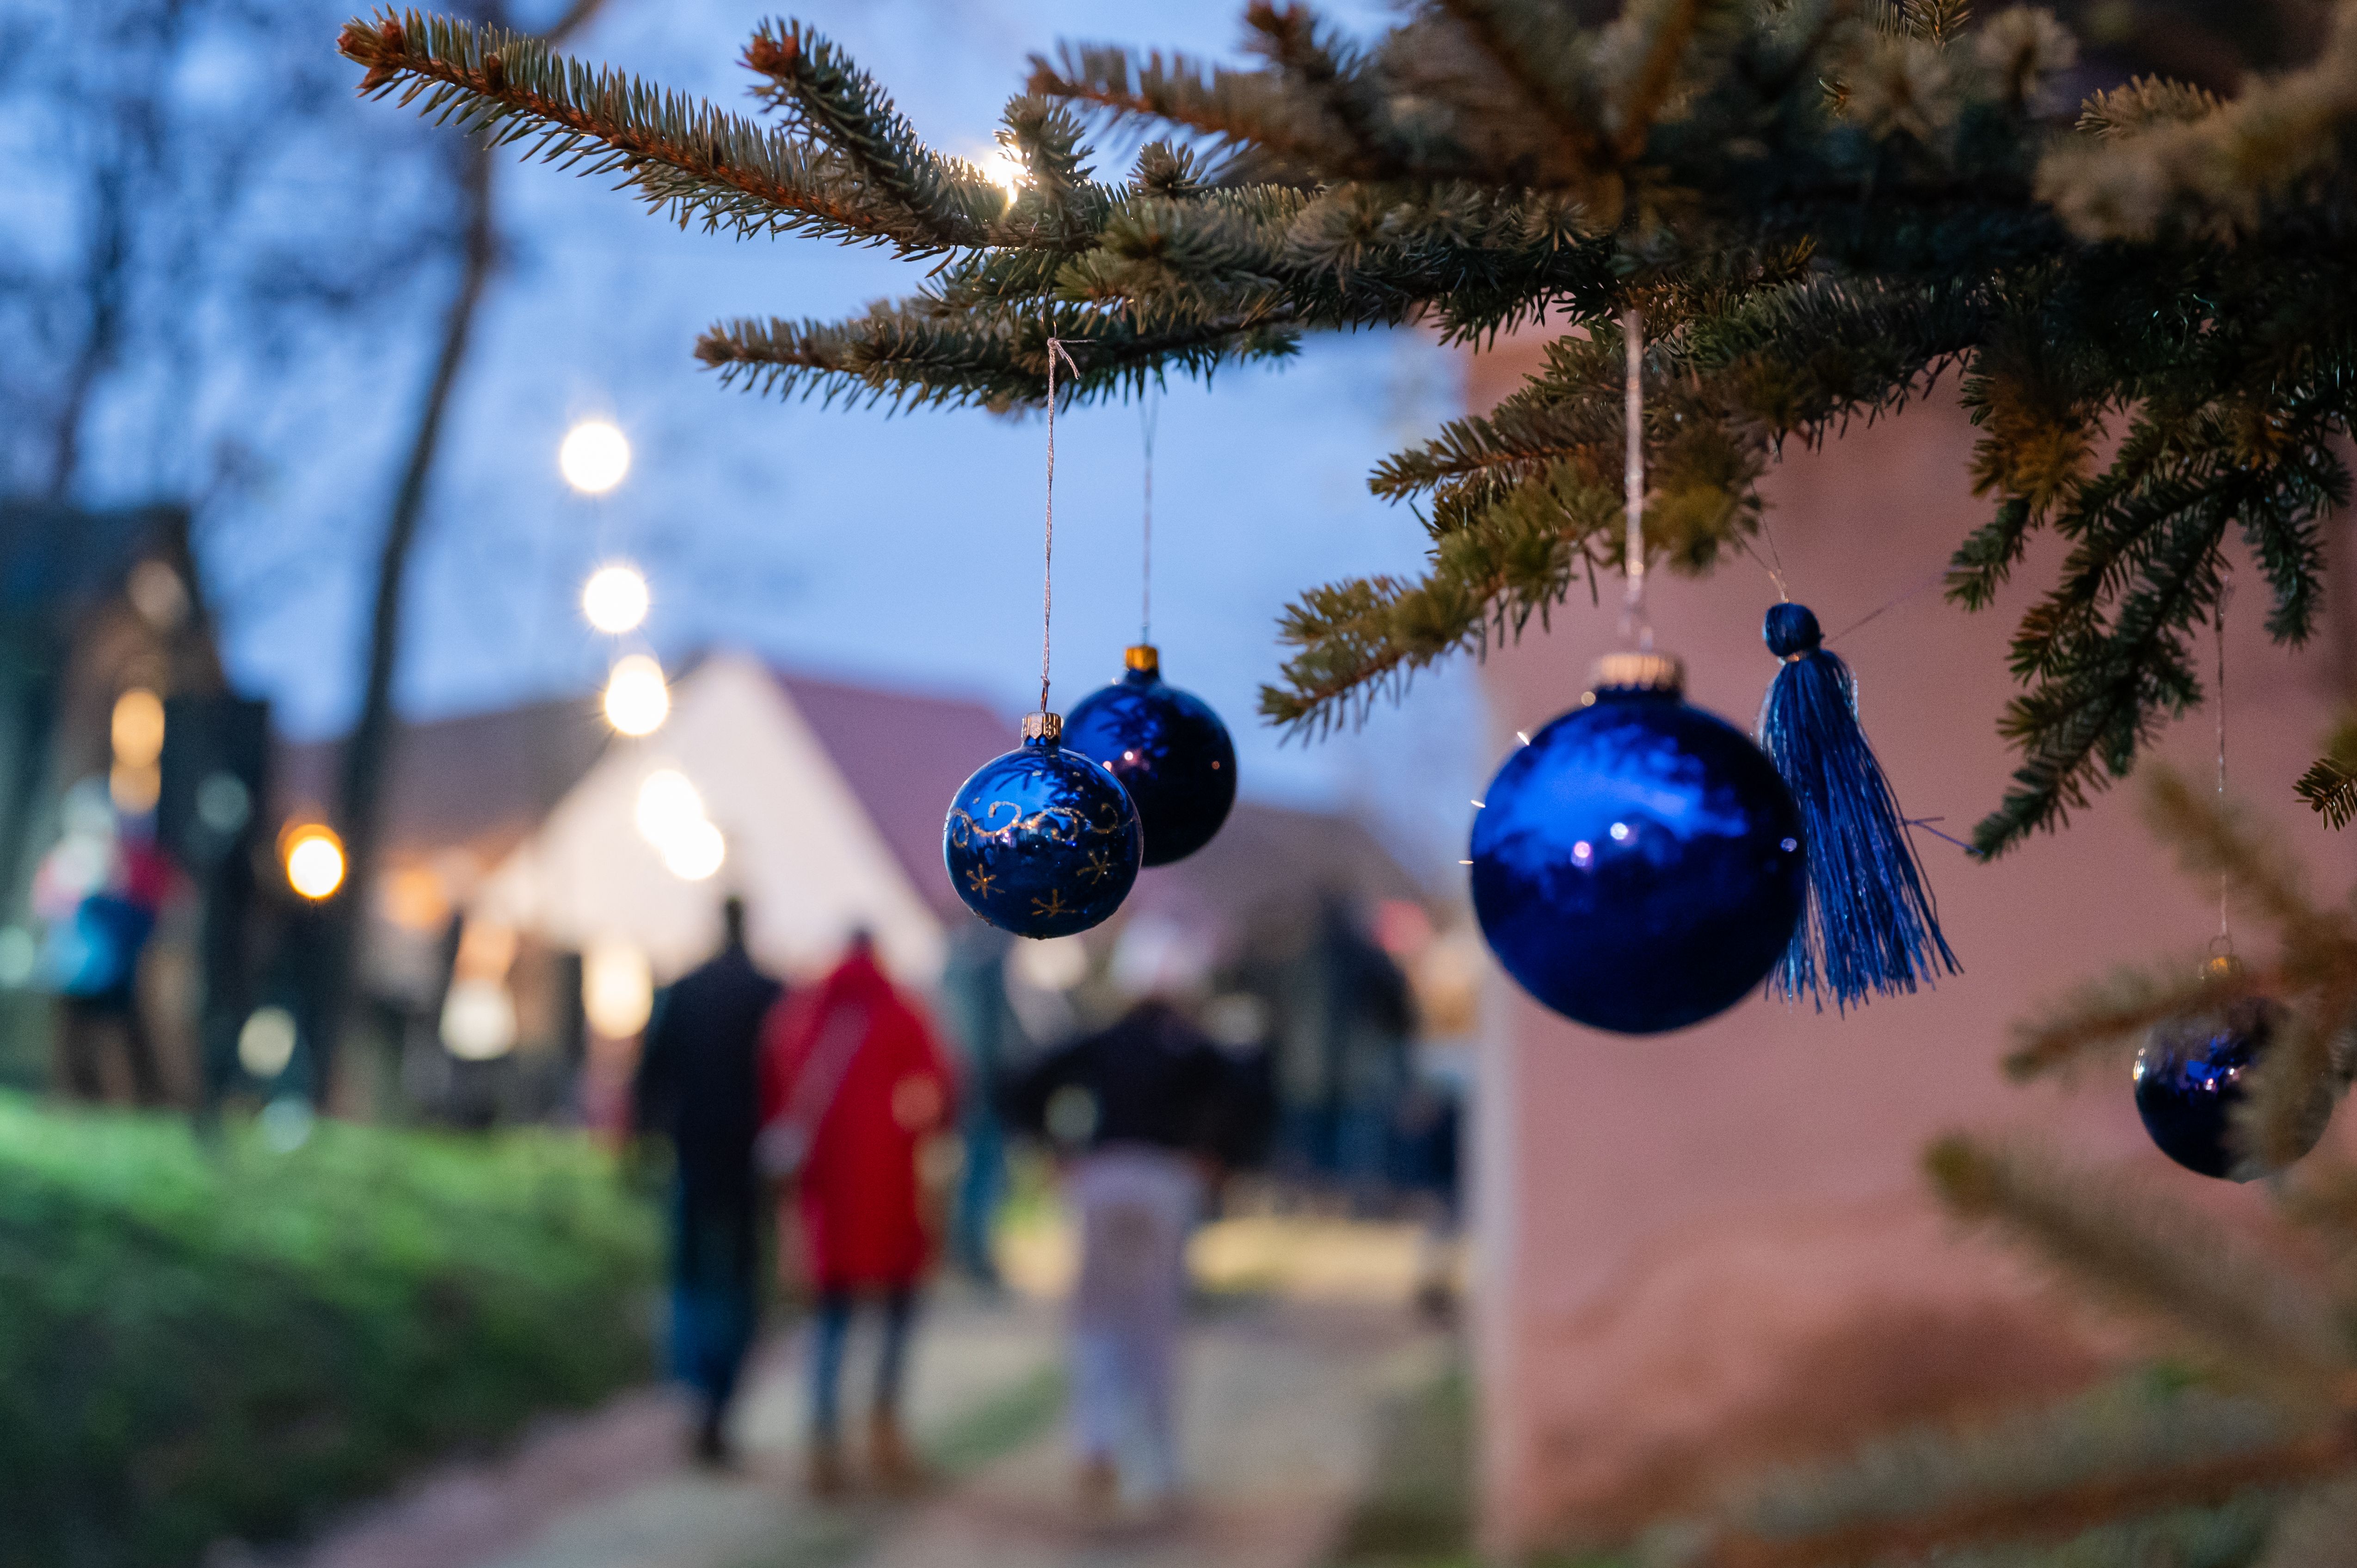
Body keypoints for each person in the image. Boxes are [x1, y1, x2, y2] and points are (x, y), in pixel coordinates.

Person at [1003, 992, 1244, 1515]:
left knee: (1097, 1320)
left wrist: (1050, 1148)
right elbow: (1246, 1088)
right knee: (1154, 1328)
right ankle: (1159, 1467)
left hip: (1104, 1176)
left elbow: (1025, 1080)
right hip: (1165, 1180)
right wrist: (1217, 1155)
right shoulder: (1191, 1046)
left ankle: (1096, 1444)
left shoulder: (1107, 1040)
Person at [759, 930, 954, 1496]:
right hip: (895, 1195)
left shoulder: (801, 1016)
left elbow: (776, 1094)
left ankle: (822, 1444)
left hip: (830, 1201)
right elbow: (939, 1089)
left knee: (832, 1320)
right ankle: (884, 1431)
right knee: (896, 1313)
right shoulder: (905, 1012)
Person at [632, 895, 781, 1465]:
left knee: (692, 1283)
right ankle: (719, 1400)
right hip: (748, 1162)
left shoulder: (685, 988)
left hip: (693, 1155)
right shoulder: (769, 992)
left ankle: (697, 1392)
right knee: (738, 1286)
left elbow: (651, 1074)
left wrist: (642, 1142)